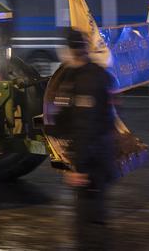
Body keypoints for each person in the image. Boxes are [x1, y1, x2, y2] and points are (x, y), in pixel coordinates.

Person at [53, 29, 116, 250]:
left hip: (91, 161)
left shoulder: (88, 80)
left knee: (89, 221)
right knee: (90, 216)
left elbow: (85, 126)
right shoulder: (82, 75)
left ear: (70, 51)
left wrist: (78, 167)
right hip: (95, 155)